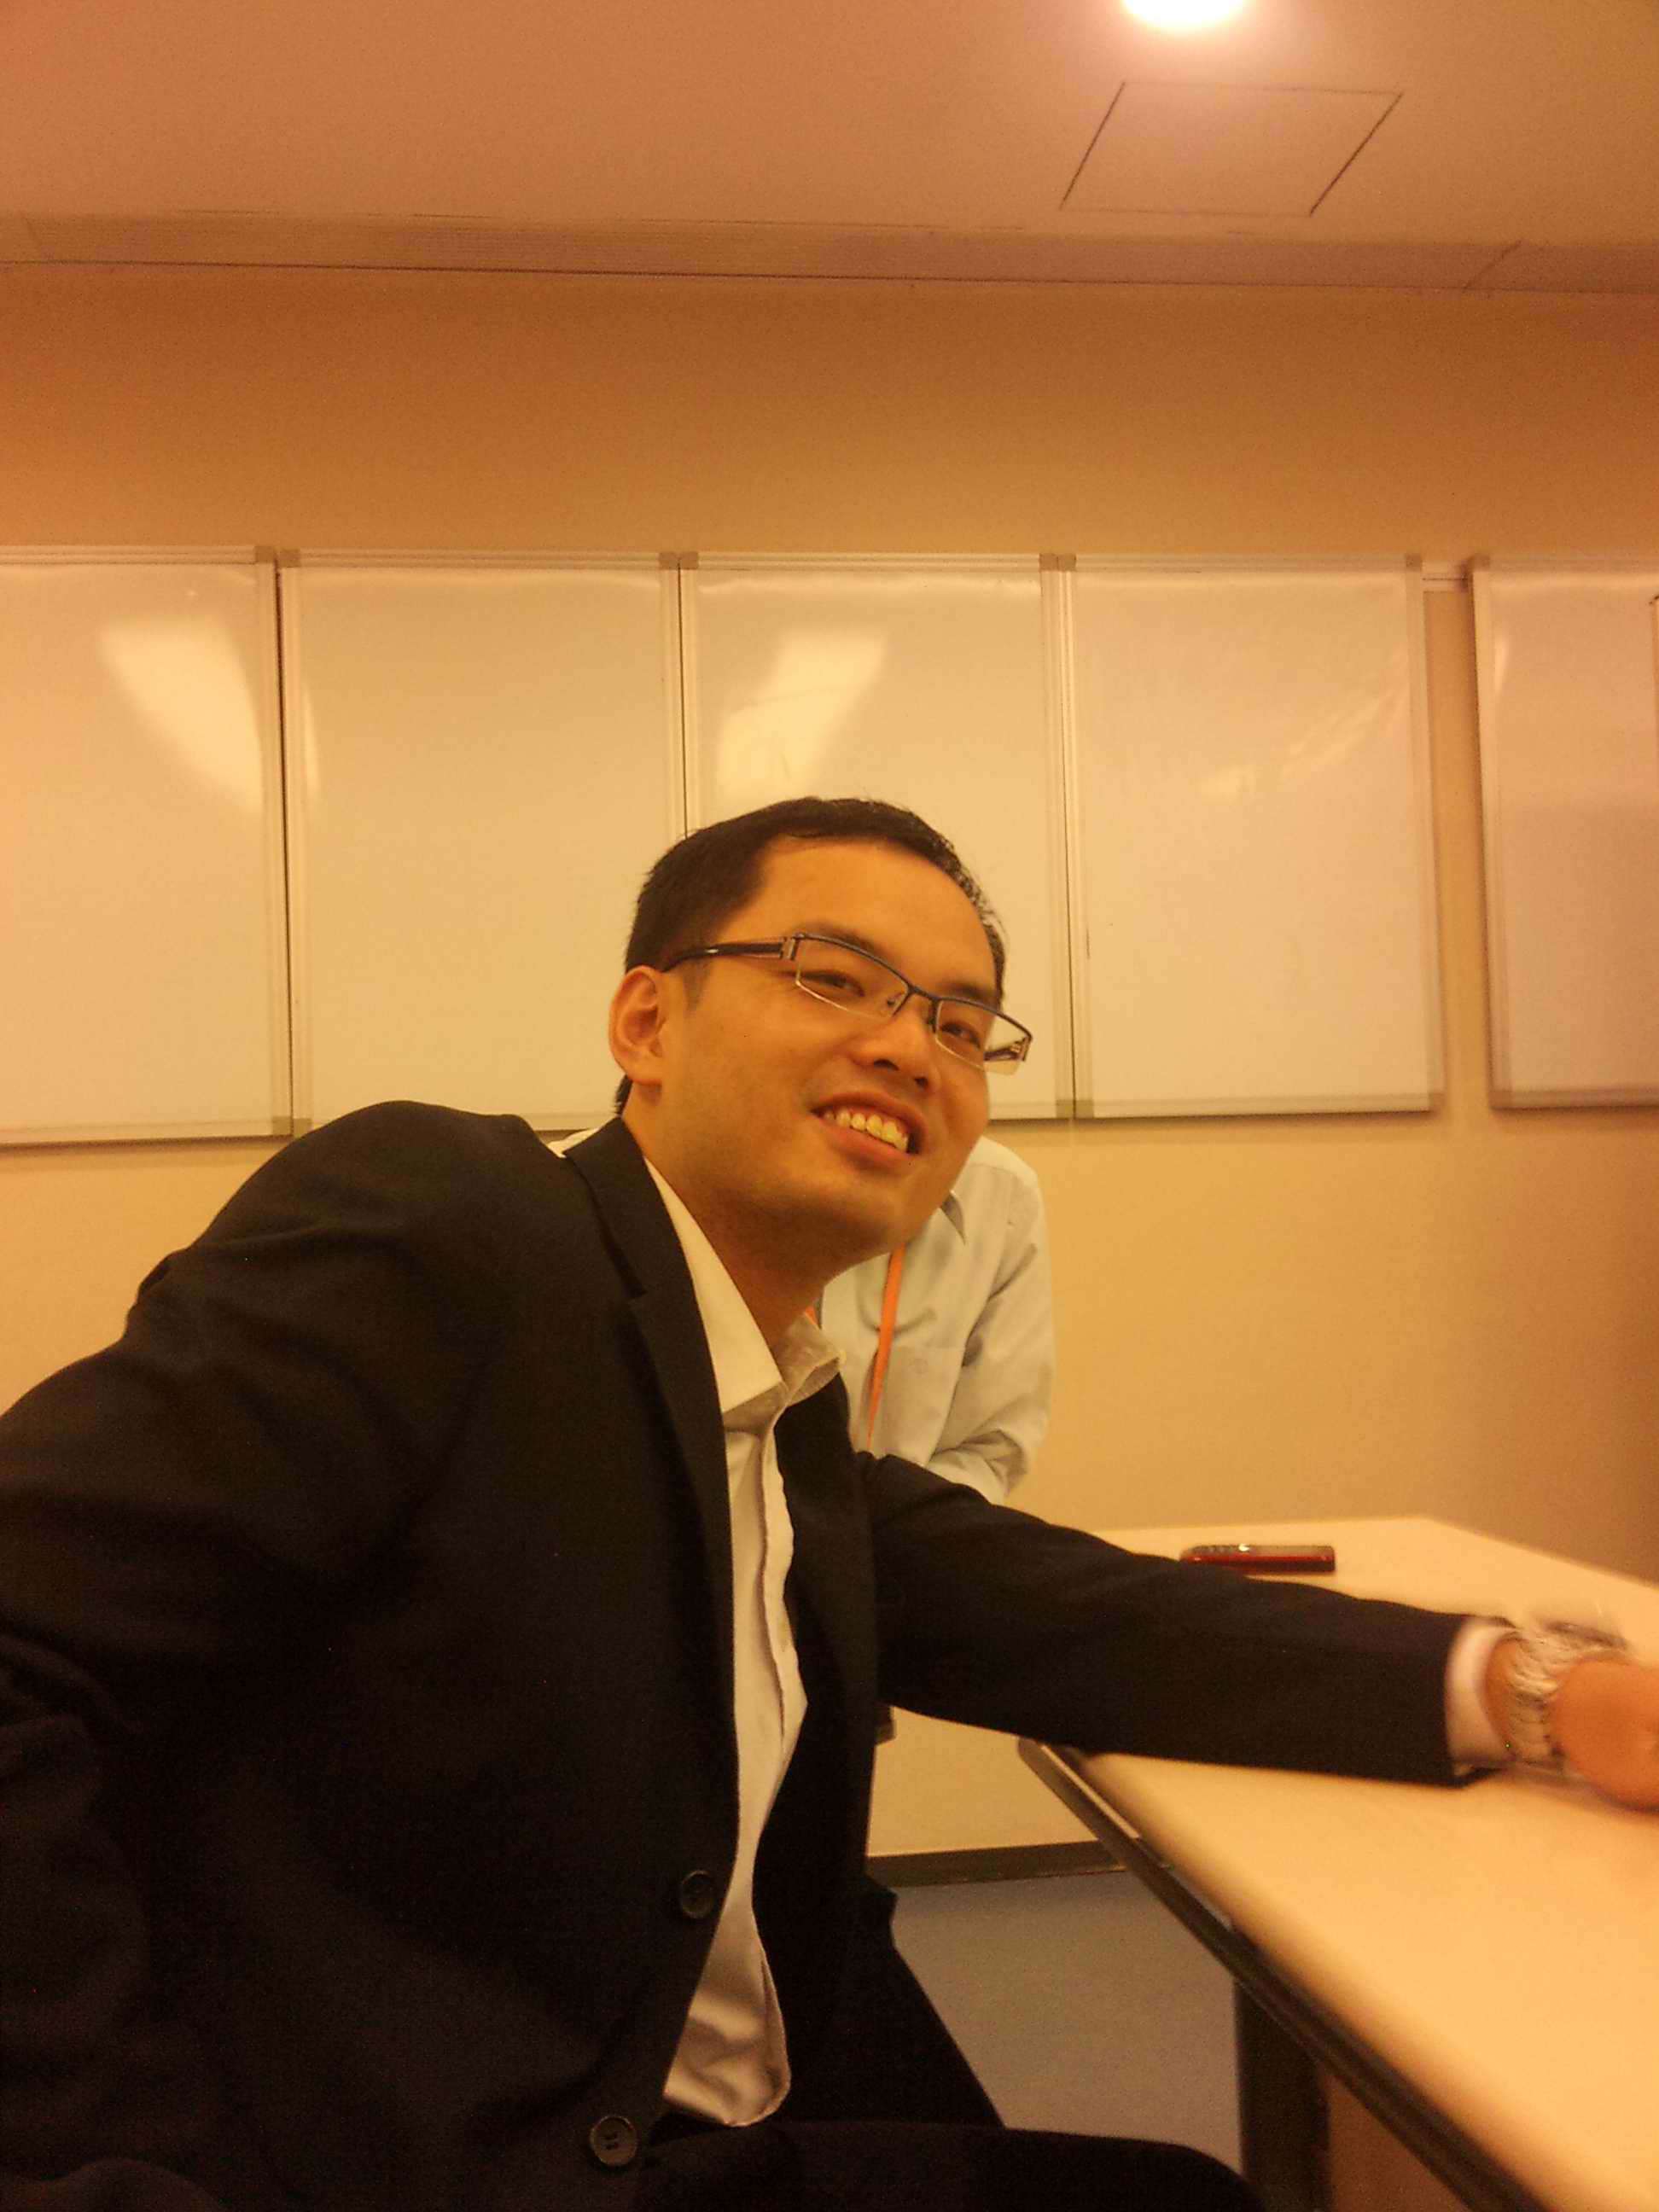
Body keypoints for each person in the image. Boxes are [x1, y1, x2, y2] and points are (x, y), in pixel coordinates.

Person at [3, 796, 1657, 2212]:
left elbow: (1081, 1620)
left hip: (699, 2099)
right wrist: (110, 2175)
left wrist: (1534, 1690)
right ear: (645, 1022)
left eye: (962, 1023)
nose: (907, 1044)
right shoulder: (458, 1227)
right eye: (833, 976)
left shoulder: (761, 1402)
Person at [801, 1136, 1054, 2128]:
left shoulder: (993, 1192)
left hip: (853, 1598)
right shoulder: (582, 1197)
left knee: (815, 1896)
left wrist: (853, 1559)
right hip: (686, 1612)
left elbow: (991, 1442)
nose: (907, 1062)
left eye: (972, 1053)